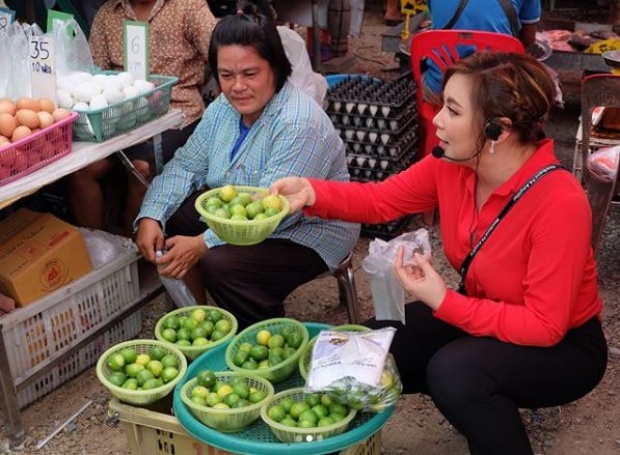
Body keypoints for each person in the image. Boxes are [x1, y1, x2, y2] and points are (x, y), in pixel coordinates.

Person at [271, 52, 608, 455]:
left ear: (496, 130)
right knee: (362, 352)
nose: (436, 120)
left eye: (452, 110)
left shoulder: (559, 202)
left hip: (562, 347)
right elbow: (382, 200)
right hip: (484, 312)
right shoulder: (453, 164)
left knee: (455, 374)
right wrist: (312, 192)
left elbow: (544, 325)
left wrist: (444, 301)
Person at [134, 3, 360, 329]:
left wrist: (201, 245)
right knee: (175, 216)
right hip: (249, 217)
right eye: (226, 75)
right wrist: (152, 213)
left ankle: (260, 340)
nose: (237, 86)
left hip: (309, 229)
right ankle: (203, 323)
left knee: (221, 265)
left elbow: (272, 212)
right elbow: (186, 165)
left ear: (275, 68)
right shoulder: (223, 109)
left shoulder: (298, 122)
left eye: (250, 74)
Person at [66, 0, 217, 236]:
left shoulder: (188, 7)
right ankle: (100, 249)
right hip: (119, 120)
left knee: (140, 169)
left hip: (177, 114)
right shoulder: (108, 14)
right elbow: (95, 73)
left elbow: (220, 54)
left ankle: (133, 252)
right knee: (81, 170)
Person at [422, 0, 540, 100]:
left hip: (440, 89)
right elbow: (528, 41)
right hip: (495, 96)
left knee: (423, 76)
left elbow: (439, 20)